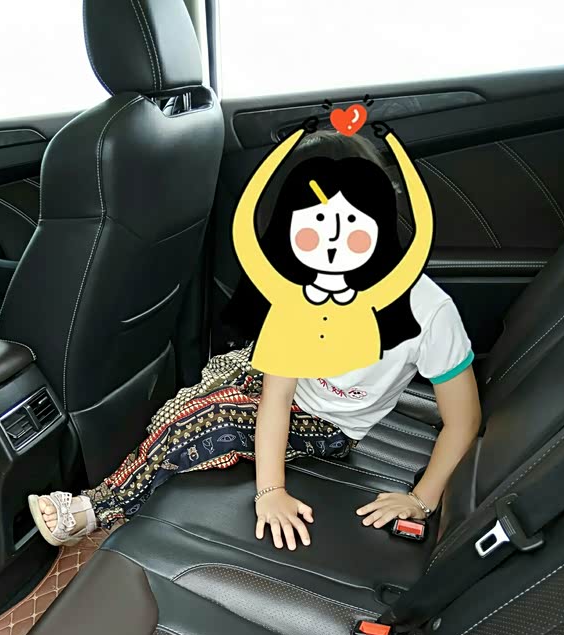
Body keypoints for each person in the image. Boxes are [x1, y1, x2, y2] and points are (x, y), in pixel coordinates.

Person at [29, 121, 481, 551]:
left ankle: (97, 508)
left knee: (205, 420)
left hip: (332, 424)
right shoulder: (300, 290)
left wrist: (421, 499)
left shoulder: (429, 309)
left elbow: (463, 420)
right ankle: (149, 469)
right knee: (200, 390)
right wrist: (269, 482)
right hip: (287, 391)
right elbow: (276, 396)